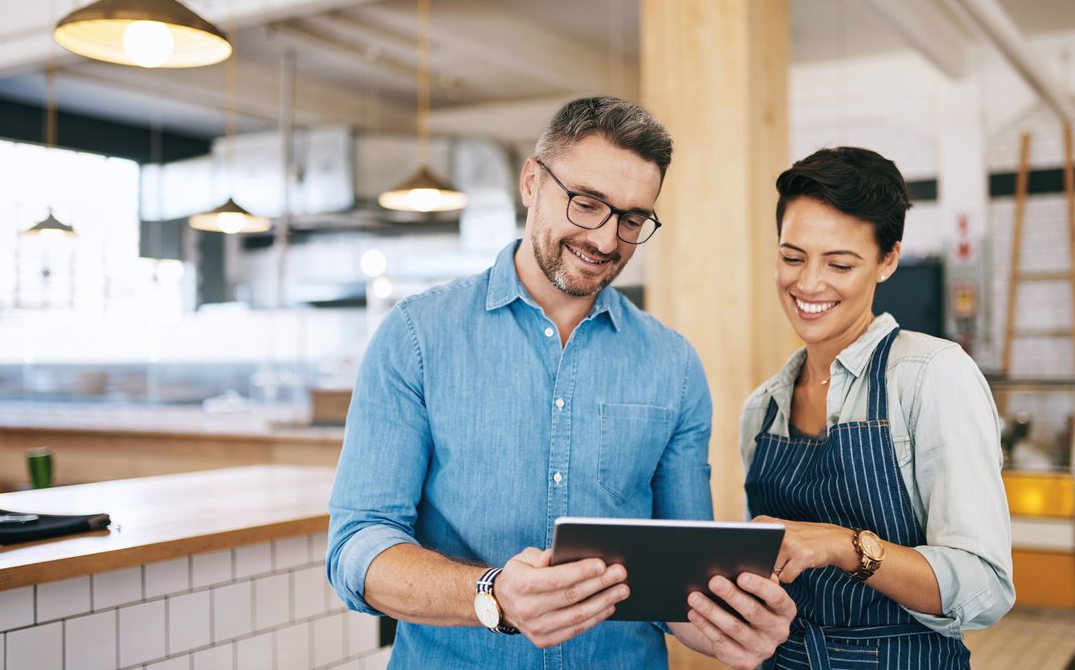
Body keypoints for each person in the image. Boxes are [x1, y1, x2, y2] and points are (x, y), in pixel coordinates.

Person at [327, 97, 794, 670]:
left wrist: (730, 628)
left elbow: (676, 586)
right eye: (587, 203)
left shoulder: (674, 364)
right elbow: (357, 548)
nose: (605, 240)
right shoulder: (417, 337)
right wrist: (492, 593)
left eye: (631, 219)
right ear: (531, 182)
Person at [741, 147, 1014, 669]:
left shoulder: (931, 375)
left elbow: (985, 585)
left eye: (839, 263)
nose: (808, 283)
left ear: (888, 260)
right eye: (792, 257)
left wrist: (843, 545)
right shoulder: (762, 408)